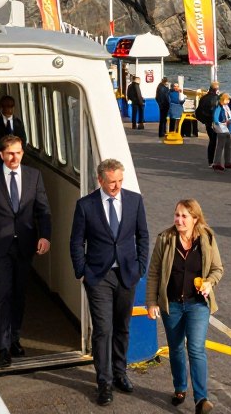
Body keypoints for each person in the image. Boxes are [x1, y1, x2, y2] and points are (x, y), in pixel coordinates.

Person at [70, 159, 150, 407]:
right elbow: (76, 241)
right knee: (103, 330)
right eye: (111, 182)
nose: (116, 186)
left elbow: (143, 236)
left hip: (127, 275)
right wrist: (82, 271)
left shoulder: (135, 201)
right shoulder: (85, 205)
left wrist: (140, 268)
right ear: (100, 180)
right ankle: (103, 382)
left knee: (123, 327)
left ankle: (120, 373)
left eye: (119, 181)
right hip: (98, 277)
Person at [0, 135, 51, 367]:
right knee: (2, 295)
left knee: (19, 294)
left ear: (22, 153)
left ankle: (15, 337)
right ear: (1, 155)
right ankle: (2, 347)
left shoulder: (34, 177)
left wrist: (45, 236)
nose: (14, 157)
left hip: (25, 245)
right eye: (9, 153)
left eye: (17, 152)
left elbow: (43, 210)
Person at [147, 199, 224, 414]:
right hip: (171, 304)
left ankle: (201, 399)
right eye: (177, 215)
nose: (179, 220)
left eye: (184, 216)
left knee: (196, 348)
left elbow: (218, 269)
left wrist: (209, 282)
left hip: (198, 304)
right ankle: (180, 387)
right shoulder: (165, 239)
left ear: (195, 219)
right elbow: (153, 272)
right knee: (176, 348)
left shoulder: (207, 239)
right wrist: (152, 302)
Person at [0, 95, 28, 173]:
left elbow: (23, 141)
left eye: (11, 106)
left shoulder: (19, 124)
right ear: (1, 108)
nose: (9, 110)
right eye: (6, 107)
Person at [211, 93, 231, 171]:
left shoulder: (226, 107)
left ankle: (227, 162)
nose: (229, 100)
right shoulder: (219, 107)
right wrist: (219, 123)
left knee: (227, 145)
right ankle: (217, 163)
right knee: (221, 146)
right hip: (221, 127)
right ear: (223, 99)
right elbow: (216, 118)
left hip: (226, 127)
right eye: (227, 99)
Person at [196, 82, 221, 165]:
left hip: (208, 122)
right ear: (216, 90)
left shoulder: (203, 98)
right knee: (215, 141)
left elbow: (198, 112)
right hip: (215, 122)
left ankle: (211, 160)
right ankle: (214, 160)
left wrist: (205, 121)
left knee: (212, 140)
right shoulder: (217, 99)